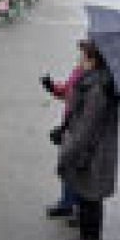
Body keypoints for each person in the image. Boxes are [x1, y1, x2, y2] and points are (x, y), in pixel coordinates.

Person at [55, 40, 120, 240]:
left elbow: (86, 128)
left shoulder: (98, 89)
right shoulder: (98, 81)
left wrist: (67, 153)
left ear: (94, 61)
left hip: (92, 155)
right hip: (95, 153)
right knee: (87, 198)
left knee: (91, 199)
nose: (79, 60)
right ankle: (86, 238)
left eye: (83, 57)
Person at [41, 65, 83, 223]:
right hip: (71, 128)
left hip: (83, 132)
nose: (80, 57)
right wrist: (52, 87)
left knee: (82, 171)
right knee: (67, 167)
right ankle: (67, 203)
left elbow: (91, 113)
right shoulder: (80, 71)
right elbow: (68, 93)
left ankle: (83, 212)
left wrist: (66, 128)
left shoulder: (100, 82)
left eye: (84, 53)